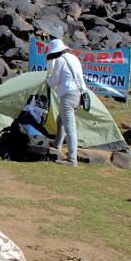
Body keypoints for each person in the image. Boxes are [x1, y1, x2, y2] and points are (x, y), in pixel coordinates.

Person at [45, 38, 86, 166]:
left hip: (68, 95)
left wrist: (47, 79)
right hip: (79, 94)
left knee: (70, 128)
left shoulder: (61, 60)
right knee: (60, 120)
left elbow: (55, 80)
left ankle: (72, 159)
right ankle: (57, 145)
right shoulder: (74, 58)